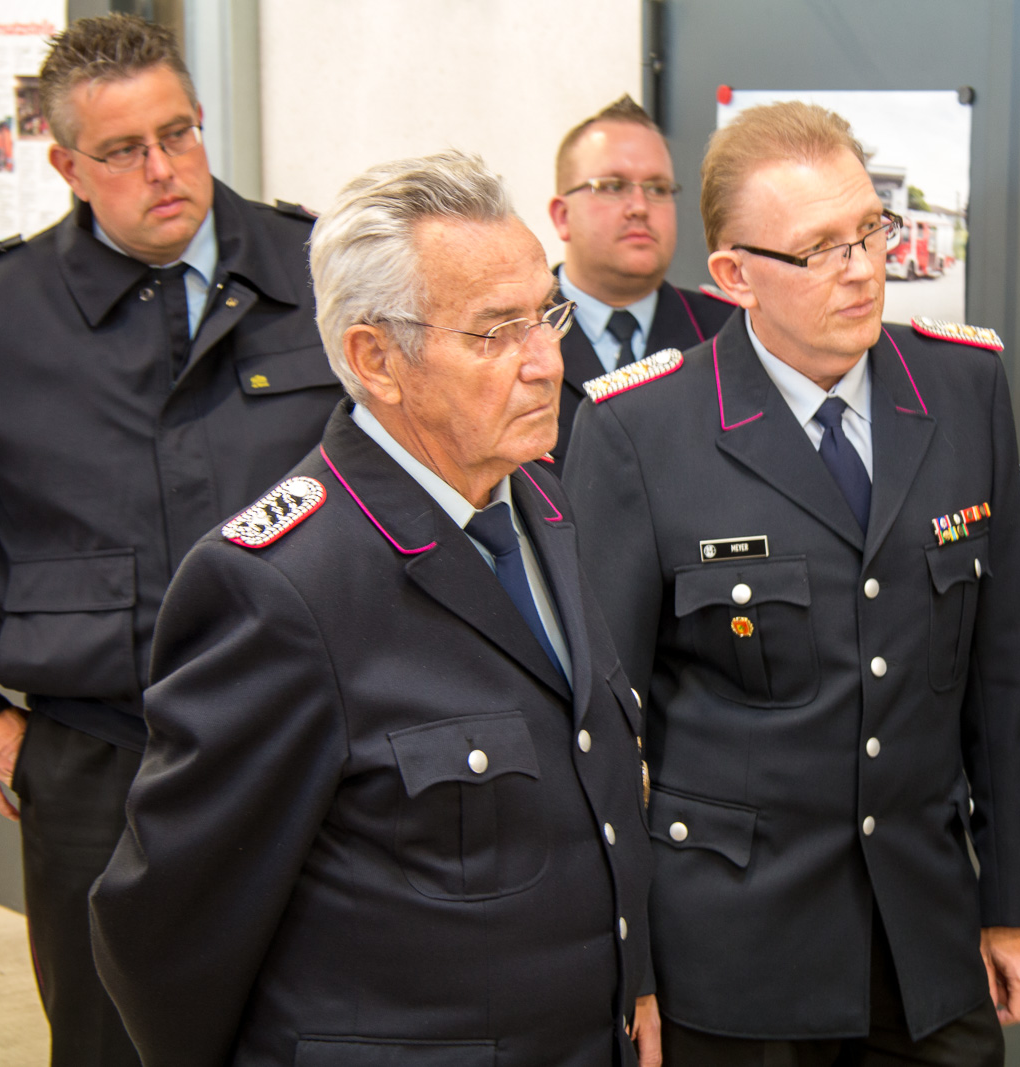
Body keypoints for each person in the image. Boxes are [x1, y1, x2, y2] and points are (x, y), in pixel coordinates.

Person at [89, 150, 658, 1067]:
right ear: (375, 360)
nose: (546, 362)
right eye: (495, 332)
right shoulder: (282, 586)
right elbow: (166, 928)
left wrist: (631, 984)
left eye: (546, 314)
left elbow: (592, 792)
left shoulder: (538, 504)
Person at [563, 101, 1020, 1065]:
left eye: (870, 230)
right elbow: (603, 724)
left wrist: (1017, 903)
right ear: (734, 276)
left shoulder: (963, 389)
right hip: (730, 957)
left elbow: (1004, 676)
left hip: (924, 937)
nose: (864, 268)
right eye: (819, 249)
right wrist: (630, 966)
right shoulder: (640, 431)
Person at [0, 15, 341, 1064]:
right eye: (124, 150)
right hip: (97, 756)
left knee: (321, 1024)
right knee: (109, 1035)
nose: (165, 169)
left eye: (179, 134)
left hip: (313, 737)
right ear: (65, 166)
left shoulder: (322, 269)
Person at [545, 95, 737, 470]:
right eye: (612, 186)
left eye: (658, 188)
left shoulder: (729, 333)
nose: (639, 207)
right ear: (562, 216)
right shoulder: (512, 338)